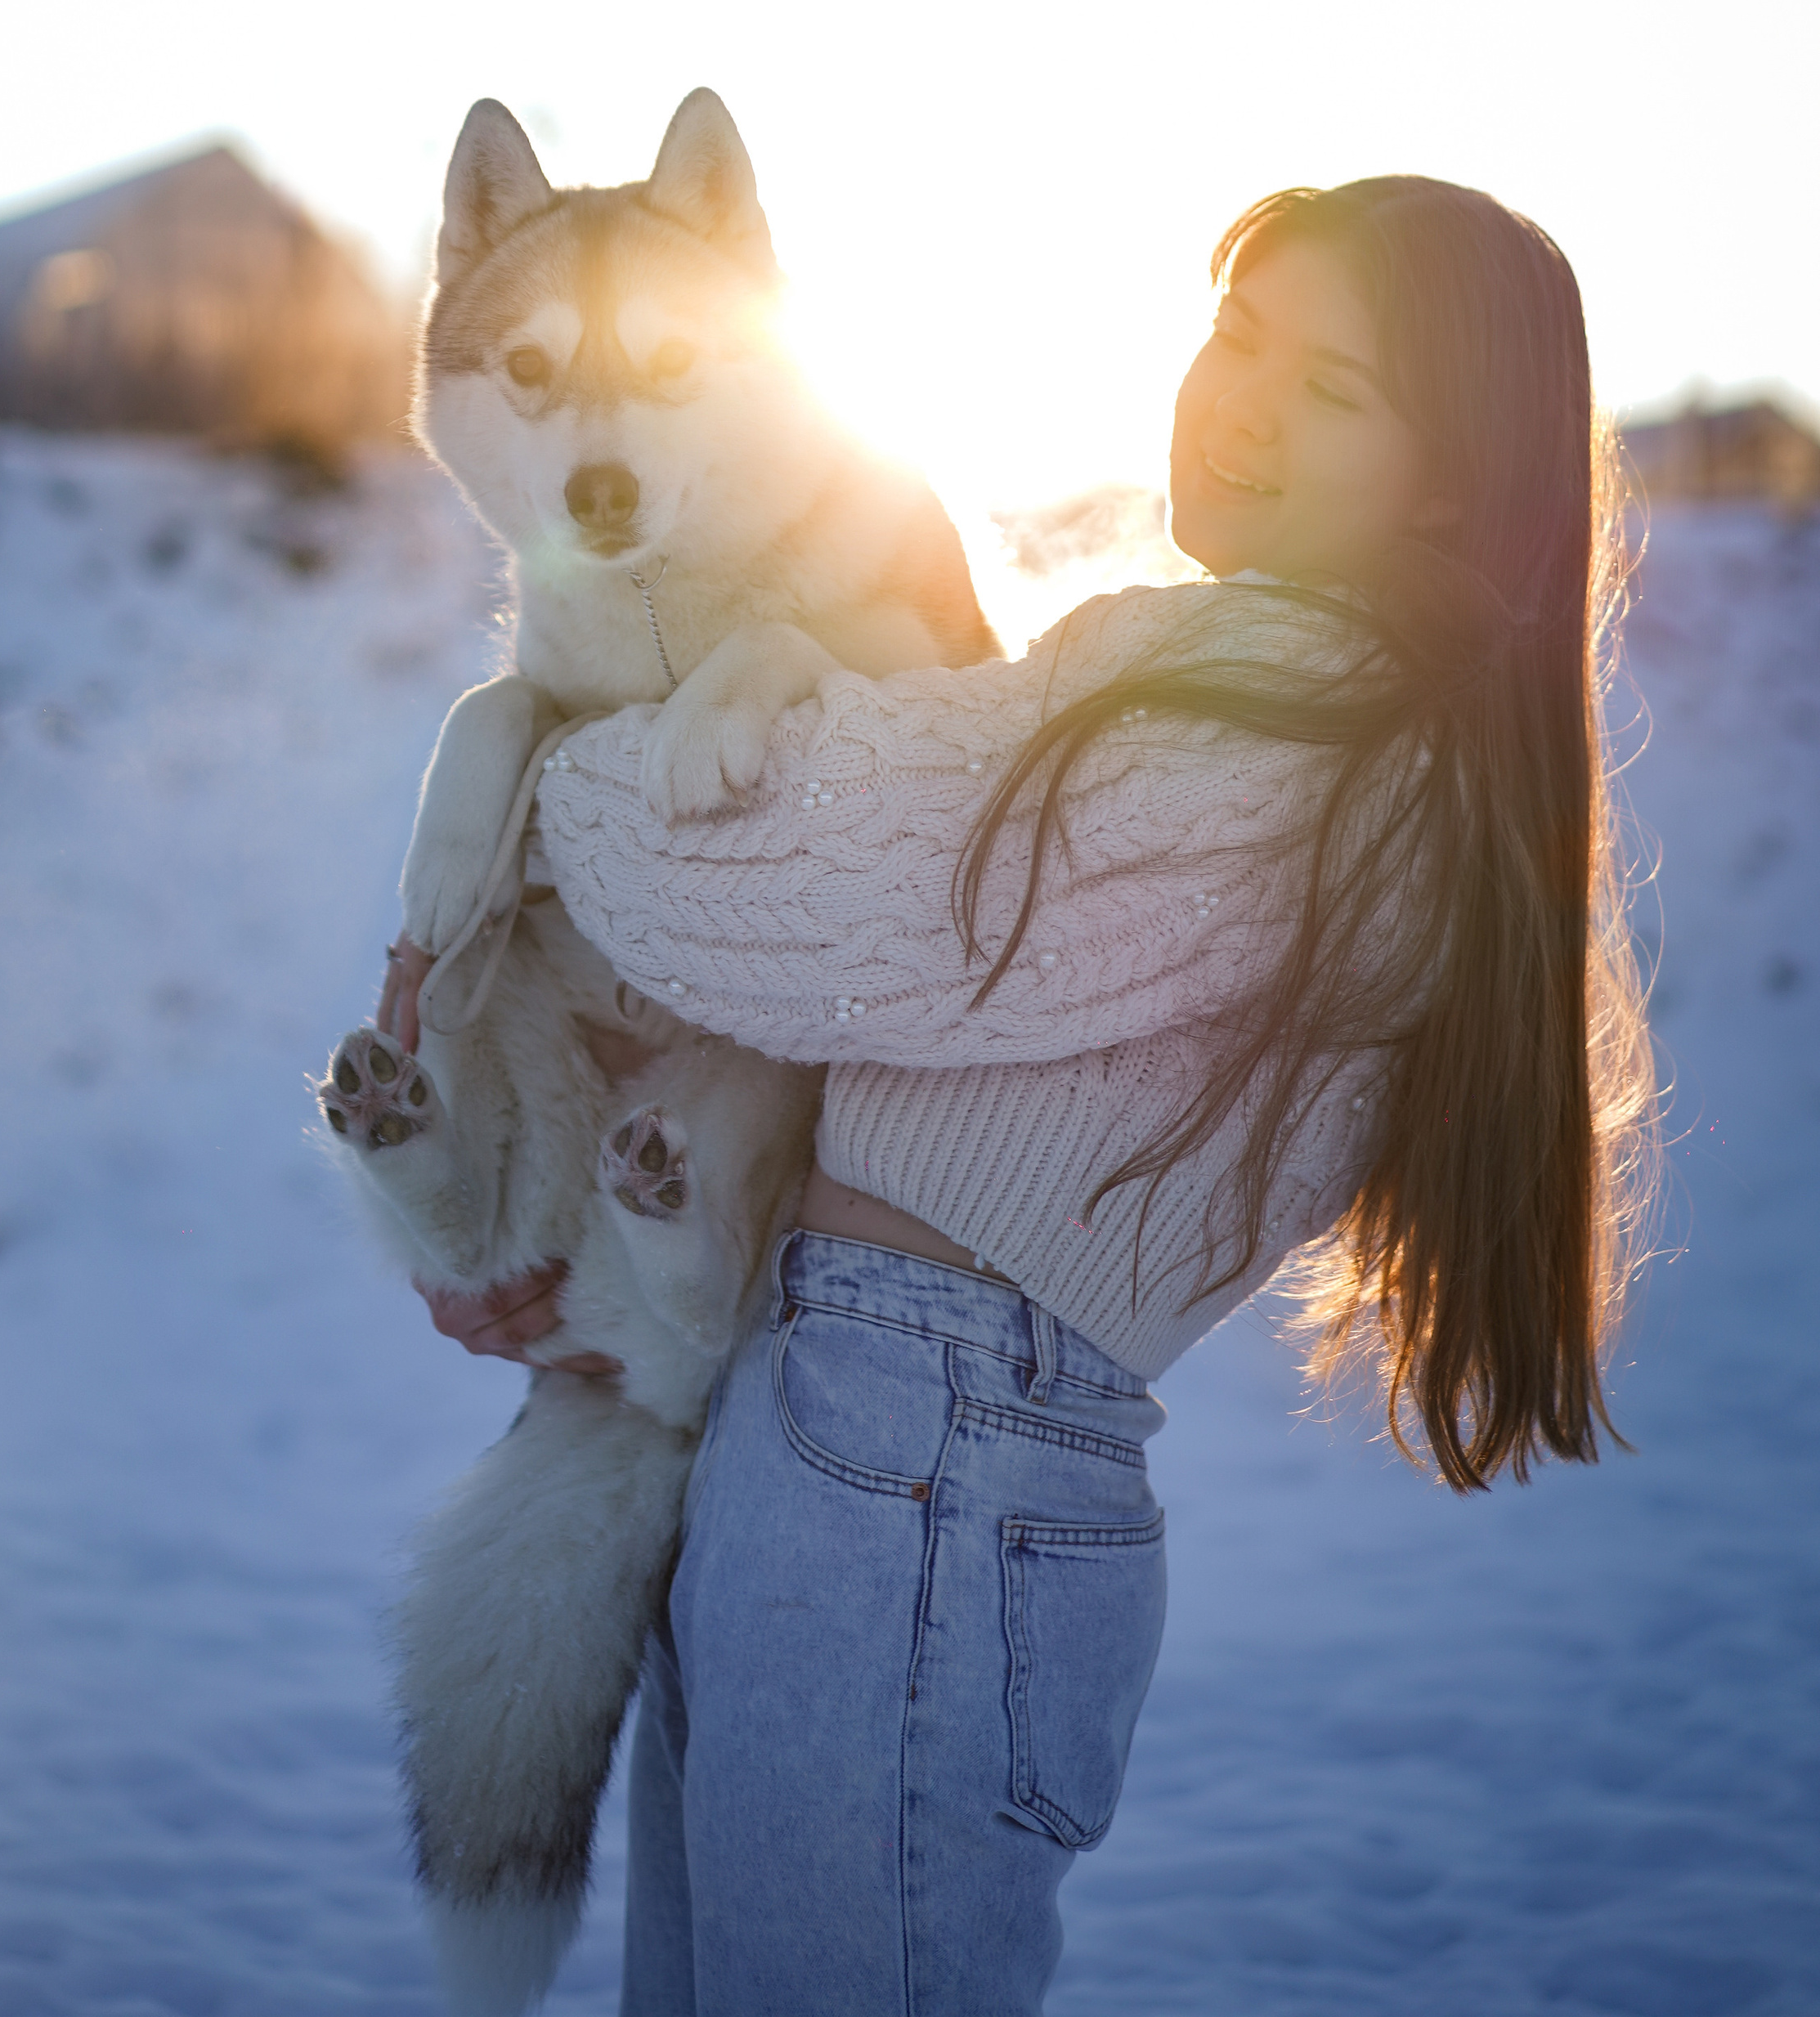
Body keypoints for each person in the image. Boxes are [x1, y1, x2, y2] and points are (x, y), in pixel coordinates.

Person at [381, 177, 1660, 2017]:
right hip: (845, 1416)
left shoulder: (1296, 712)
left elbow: (815, 889)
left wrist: (526, 774)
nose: (1243, 402)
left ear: (1454, 480)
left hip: (924, 1457)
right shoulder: (1236, 674)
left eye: (1331, 389)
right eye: (1238, 336)